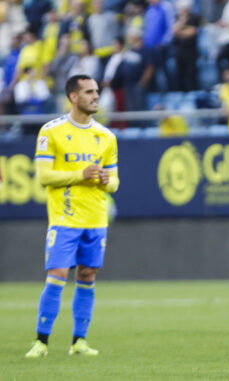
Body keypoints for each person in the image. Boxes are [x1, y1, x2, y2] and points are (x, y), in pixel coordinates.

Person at [25, 74, 120, 358]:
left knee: (88, 274)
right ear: (73, 97)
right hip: (65, 219)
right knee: (57, 274)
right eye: (89, 92)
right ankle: (41, 342)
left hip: (96, 219)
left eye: (97, 91)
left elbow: (115, 182)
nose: (95, 96)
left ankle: (79, 341)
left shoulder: (106, 136)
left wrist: (105, 179)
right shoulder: (50, 131)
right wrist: (81, 174)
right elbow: (44, 177)